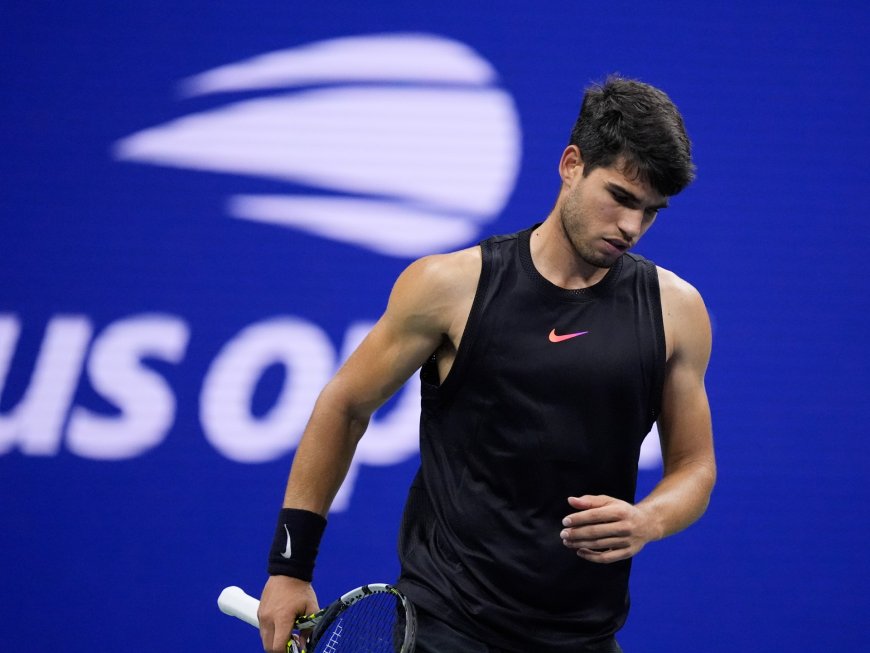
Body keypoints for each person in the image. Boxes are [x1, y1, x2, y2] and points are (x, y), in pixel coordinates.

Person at [257, 75, 716, 652]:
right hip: (445, 626)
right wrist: (290, 567)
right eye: (621, 197)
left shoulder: (677, 312)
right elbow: (345, 404)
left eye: (650, 211)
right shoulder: (450, 286)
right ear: (571, 164)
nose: (631, 226)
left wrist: (649, 520)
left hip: (585, 636)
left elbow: (695, 467)